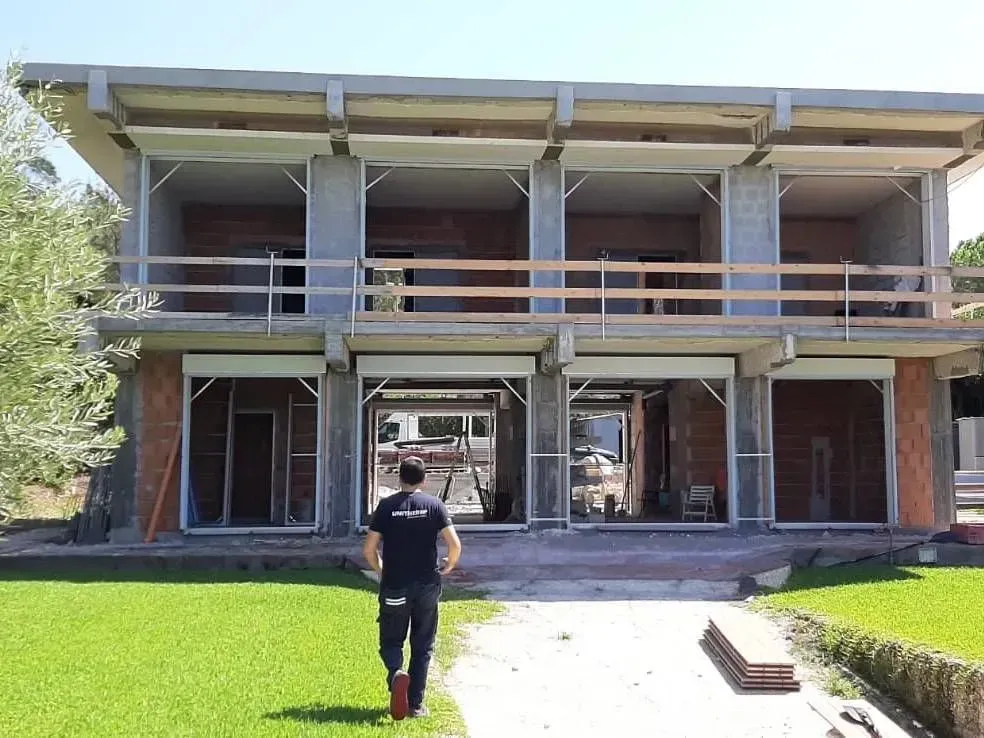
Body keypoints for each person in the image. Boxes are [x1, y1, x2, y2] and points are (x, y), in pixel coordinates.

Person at [363, 456, 462, 721]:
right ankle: (416, 705)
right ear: (424, 479)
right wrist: (449, 565)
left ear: (399, 477)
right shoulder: (434, 505)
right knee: (423, 644)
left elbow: (369, 549)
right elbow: (454, 544)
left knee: (392, 640)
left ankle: (396, 673)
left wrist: (382, 570)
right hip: (428, 585)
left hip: (395, 585)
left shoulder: (386, 507)